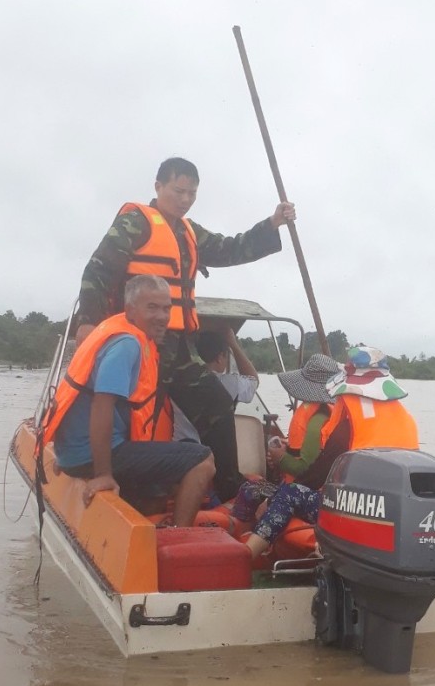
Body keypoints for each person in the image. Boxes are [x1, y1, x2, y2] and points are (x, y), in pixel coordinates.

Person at [74, 157, 296, 502]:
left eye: (192, 193)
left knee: (217, 402)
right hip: (137, 339)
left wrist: (273, 223)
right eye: (179, 191)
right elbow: (98, 269)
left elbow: (230, 248)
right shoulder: (136, 222)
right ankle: (120, 480)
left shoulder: (190, 231)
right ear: (158, 187)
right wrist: (87, 322)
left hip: (177, 344)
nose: (185, 199)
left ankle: (228, 486)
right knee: (135, 411)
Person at [41, 275, 215, 527]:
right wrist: (102, 474)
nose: (162, 316)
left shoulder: (124, 332)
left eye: (166, 308)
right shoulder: (127, 344)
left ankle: (152, 522)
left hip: (77, 452)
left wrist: (66, 452)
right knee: (202, 459)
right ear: (131, 309)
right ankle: (179, 536)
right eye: (152, 307)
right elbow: (102, 406)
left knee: (179, 454)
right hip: (89, 455)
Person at [241, 346, 418, 559]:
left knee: (290, 494)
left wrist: (271, 500)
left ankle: (247, 556)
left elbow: (318, 474)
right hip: (393, 510)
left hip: (355, 512)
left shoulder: (351, 423)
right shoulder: (404, 419)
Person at [232, 353, 341, 533]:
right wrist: (287, 447)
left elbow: (305, 470)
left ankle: (241, 536)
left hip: (308, 490)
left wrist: (279, 458)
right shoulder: (325, 414)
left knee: (250, 490)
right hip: (306, 486)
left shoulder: (317, 421)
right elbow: (308, 452)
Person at [172, 328, 259, 444]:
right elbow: (254, 380)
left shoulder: (177, 380)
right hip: (214, 452)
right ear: (219, 357)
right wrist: (233, 344)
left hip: (181, 449)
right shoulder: (229, 383)